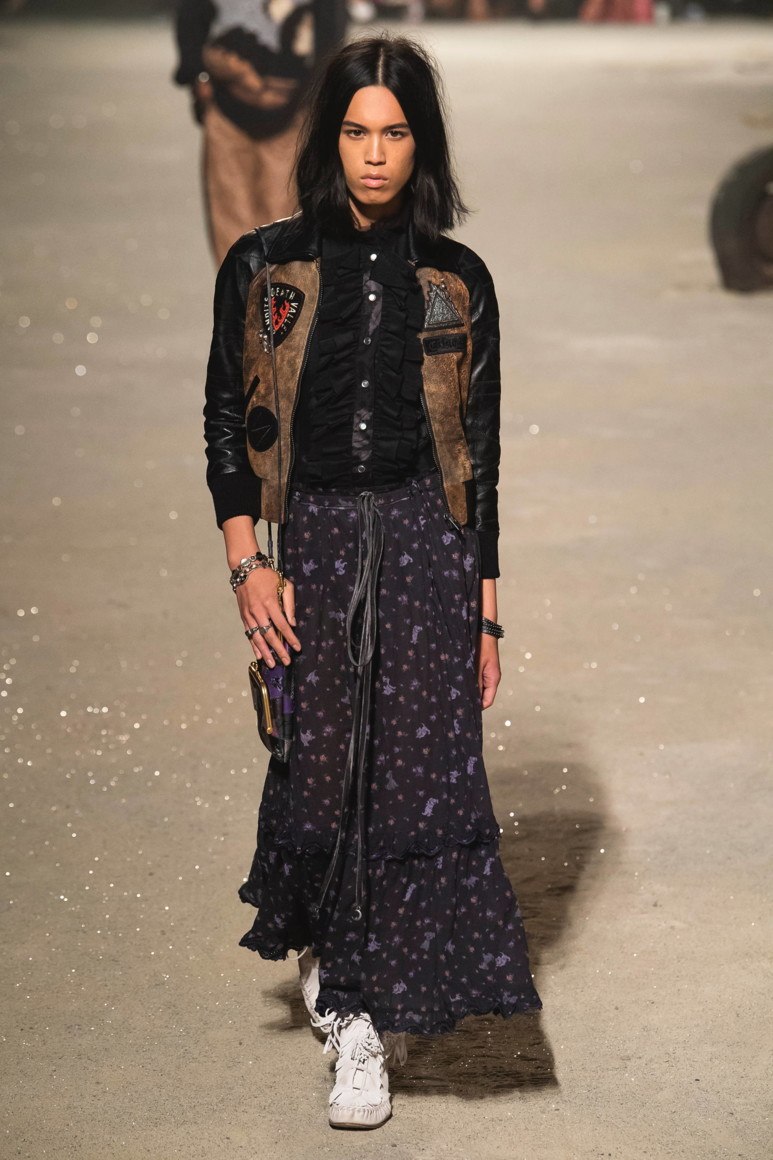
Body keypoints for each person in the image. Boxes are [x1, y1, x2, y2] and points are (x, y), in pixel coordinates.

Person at [202, 33, 543, 1131]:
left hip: (424, 543)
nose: (375, 154)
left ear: (421, 143)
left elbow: (479, 460)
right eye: (355, 131)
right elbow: (226, 424)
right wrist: (248, 561)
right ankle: (330, 945)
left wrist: (486, 613)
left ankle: (360, 1019)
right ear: (329, 140)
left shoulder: (457, 280)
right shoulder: (263, 267)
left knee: (408, 783)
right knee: (318, 768)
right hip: (309, 539)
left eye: (395, 132)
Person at [173, 0, 347, 263]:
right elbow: (191, 14)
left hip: (294, 106)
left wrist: (320, 96)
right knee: (231, 212)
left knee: (286, 212)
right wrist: (198, 75)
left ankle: (276, 286)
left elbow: (331, 27)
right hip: (227, 104)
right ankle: (241, 287)